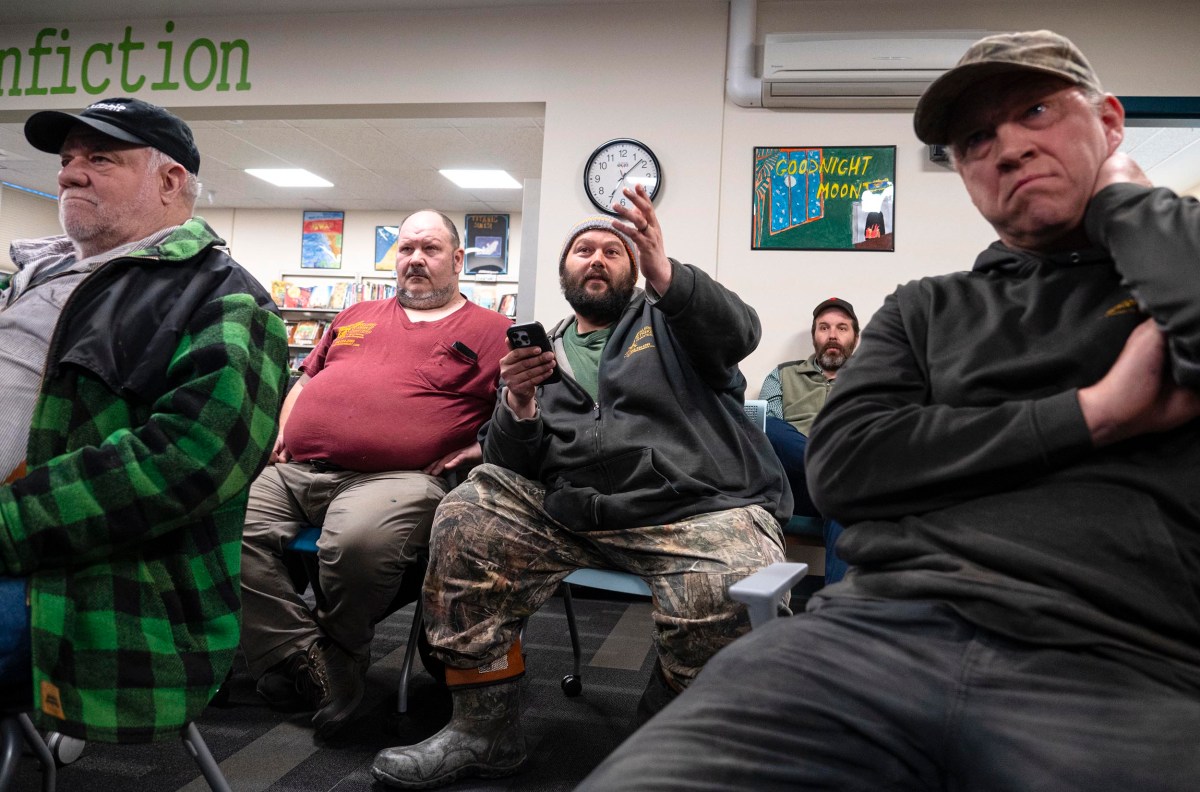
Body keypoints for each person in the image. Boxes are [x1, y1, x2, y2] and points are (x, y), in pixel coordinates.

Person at [577, 30, 1200, 791]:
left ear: (1109, 122)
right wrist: (1095, 415)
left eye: (1036, 111)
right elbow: (844, 467)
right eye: (977, 138)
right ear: (967, 176)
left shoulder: (1175, 267)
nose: (1006, 148)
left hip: (1119, 658)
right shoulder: (926, 309)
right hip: (874, 633)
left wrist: (1127, 199)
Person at [371, 185, 791, 788]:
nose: (596, 258)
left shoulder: (676, 325)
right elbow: (515, 462)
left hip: (698, 508)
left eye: (612, 251)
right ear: (564, 270)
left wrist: (667, 274)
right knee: (469, 512)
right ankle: (484, 730)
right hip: (576, 512)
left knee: (731, 587)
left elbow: (740, 332)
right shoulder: (541, 352)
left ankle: (666, 746)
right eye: (582, 250)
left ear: (635, 267)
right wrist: (517, 402)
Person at [0, 97, 288, 742]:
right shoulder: (38, 278)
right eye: (68, 159)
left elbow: (189, 460)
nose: (70, 173)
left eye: (100, 158)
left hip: (89, 583)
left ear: (169, 181)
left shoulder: (224, 299)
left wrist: (7, 523)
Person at [239, 209, 512, 738]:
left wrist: (477, 450)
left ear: (457, 260)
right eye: (406, 249)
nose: (415, 260)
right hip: (296, 469)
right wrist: (285, 423)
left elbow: (523, 414)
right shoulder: (357, 312)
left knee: (358, 547)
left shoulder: (492, 331)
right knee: (218, 530)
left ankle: (321, 657)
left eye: (429, 249)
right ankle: (315, 659)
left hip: (397, 479)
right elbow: (307, 376)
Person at [760, 297, 859, 581]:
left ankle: (839, 612)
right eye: (824, 328)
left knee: (844, 498)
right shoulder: (782, 375)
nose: (832, 335)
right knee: (768, 424)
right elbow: (769, 435)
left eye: (842, 328)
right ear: (815, 335)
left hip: (844, 487)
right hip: (794, 486)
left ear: (855, 337)